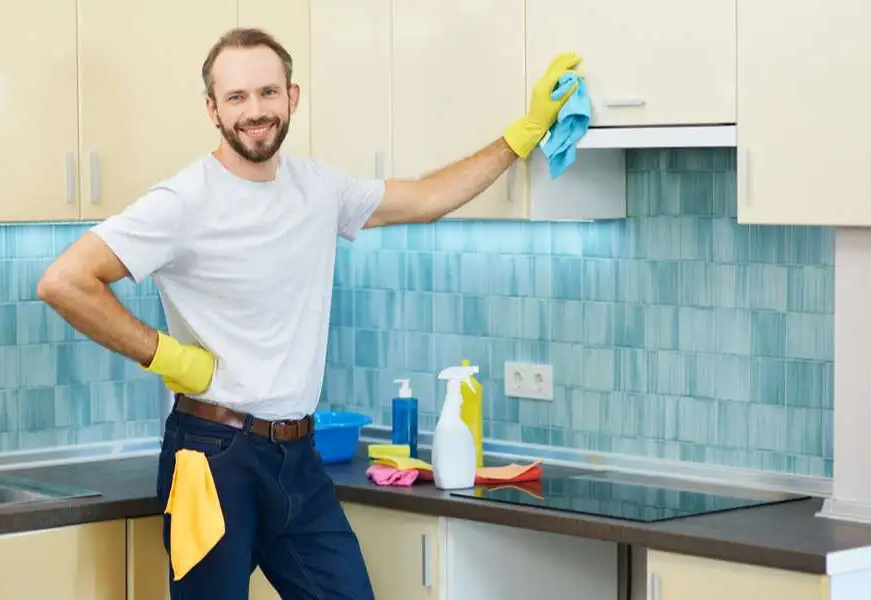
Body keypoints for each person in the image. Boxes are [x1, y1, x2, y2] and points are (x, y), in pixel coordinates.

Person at [37, 26, 579, 600]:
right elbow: (66, 281)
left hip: (298, 455)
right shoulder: (183, 201)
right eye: (237, 98)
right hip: (213, 458)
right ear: (212, 110)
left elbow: (426, 199)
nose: (255, 111)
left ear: (292, 98)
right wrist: (166, 356)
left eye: (268, 93)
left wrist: (521, 137)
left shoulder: (321, 190)